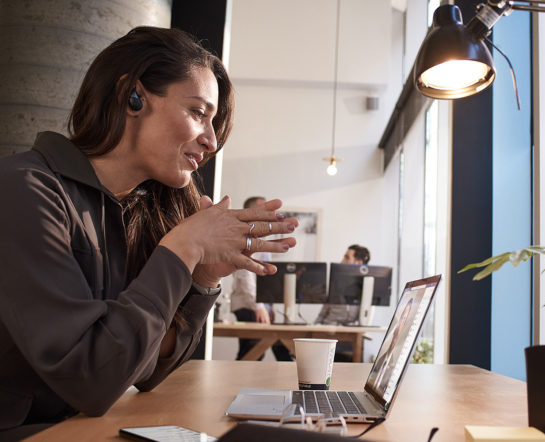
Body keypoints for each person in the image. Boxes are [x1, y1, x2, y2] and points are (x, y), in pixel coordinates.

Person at [0, 27, 298, 439]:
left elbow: (145, 371)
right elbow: (92, 378)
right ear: (131, 96)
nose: (211, 141)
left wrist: (203, 278)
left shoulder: (135, 210)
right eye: (198, 112)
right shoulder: (22, 189)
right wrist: (184, 246)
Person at [230, 196, 292, 361]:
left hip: (260, 304)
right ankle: (236, 385)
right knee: (252, 351)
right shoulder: (245, 235)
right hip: (249, 304)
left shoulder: (261, 237)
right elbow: (245, 275)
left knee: (259, 350)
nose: (270, 212)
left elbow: (265, 275)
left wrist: (268, 306)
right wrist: (259, 307)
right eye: (264, 208)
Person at [314, 244, 371, 325]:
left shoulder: (366, 289)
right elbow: (322, 315)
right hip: (327, 329)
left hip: (348, 333)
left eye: (347, 257)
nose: (342, 261)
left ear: (358, 263)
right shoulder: (335, 284)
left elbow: (363, 321)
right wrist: (313, 330)